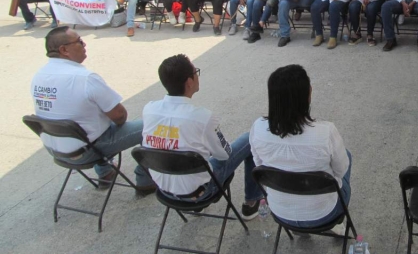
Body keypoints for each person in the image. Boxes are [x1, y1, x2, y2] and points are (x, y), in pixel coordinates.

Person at [31, 27, 154, 192]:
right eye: (79, 41)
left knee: (91, 124)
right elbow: (120, 116)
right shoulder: (85, 78)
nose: (84, 44)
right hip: (87, 150)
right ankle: (144, 180)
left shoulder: (38, 76)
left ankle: (105, 172)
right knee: (153, 126)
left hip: (56, 149)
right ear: (64, 50)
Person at [142, 54, 262, 219]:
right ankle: (252, 202)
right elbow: (224, 155)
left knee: (191, 159)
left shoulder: (149, 109)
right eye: (196, 72)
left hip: (165, 190)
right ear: (189, 82)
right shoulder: (202, 117)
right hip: (200, 192)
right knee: (249, 138)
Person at [250, 65, 351, 230]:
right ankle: (337, 221)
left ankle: (299, 229)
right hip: (324, 214)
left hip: (280, 212)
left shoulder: (258, 127)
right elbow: (340, 171)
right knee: (346, 157)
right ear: (308, 94)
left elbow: (259, 163)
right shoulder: (326, 132)